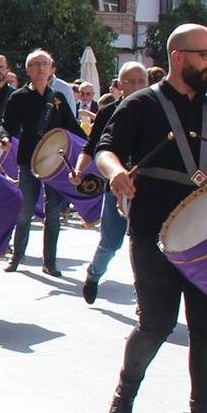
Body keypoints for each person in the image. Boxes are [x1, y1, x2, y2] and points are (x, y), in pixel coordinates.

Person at [96, 23, 207, 413]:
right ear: (179, 56)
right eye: (206, 55)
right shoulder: (140, 105)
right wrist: (116, 173)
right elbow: (105, 149)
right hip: (153, 233)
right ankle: (123, 398)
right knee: (155, 325)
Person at [2, 48, 86, 276]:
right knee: (24, 211)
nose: (40, 68)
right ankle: (17, 256)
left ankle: (50, 261)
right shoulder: (18, 97)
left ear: (52, 70)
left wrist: (91, 145)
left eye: (44, 64)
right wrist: (5, 138)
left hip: (55, 164)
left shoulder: (57, 98)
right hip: (28, 161)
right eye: (35, 64)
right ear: (28, 69)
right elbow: (6, 126)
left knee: (53, 214)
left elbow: (72, 127)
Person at [81, 60, 148, 305]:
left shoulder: (158, 112)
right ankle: (93, 275)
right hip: (116, 185)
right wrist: (79, 168)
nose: (137, 86)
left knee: (144, 242)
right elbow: (93, 146)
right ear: (119, 85)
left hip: (148, 187)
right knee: (111, 241)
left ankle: (144, 296)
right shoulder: (109, 113)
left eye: (141, 81)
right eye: (130, 81)